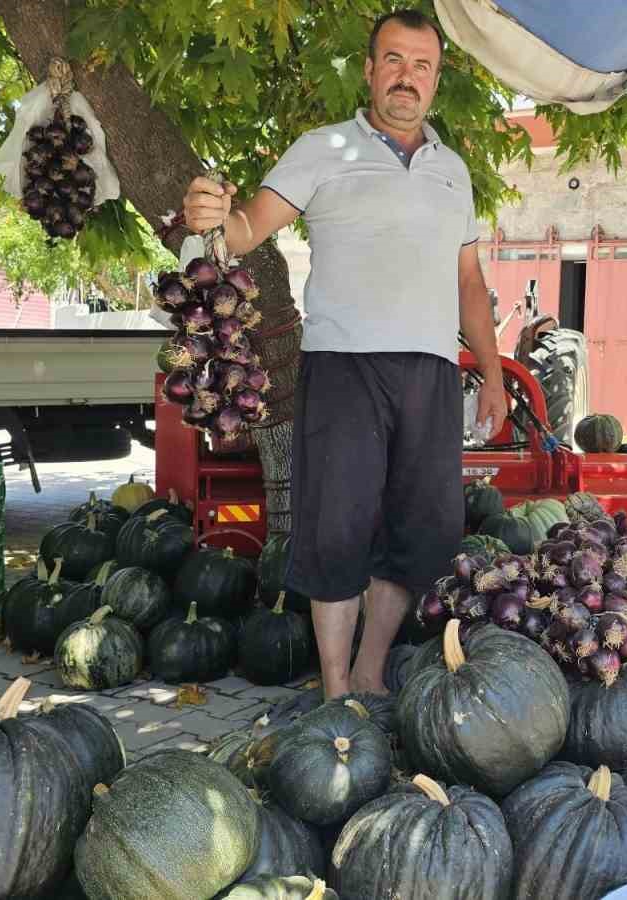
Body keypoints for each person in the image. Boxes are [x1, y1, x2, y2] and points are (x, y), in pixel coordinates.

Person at [180, 9, 507, 699]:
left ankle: (370, 669)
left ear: (437, 78)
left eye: (421, 65)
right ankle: (335, 692)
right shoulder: (323, 147)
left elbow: (470, 283)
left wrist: (495, 375)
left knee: (412, 534)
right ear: (368, 69)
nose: (406, 77)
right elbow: (245, 229)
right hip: (343, 366)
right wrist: (210, 216)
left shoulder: (454, 172)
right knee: (337, 531)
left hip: (431, 372)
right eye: (393, 60)